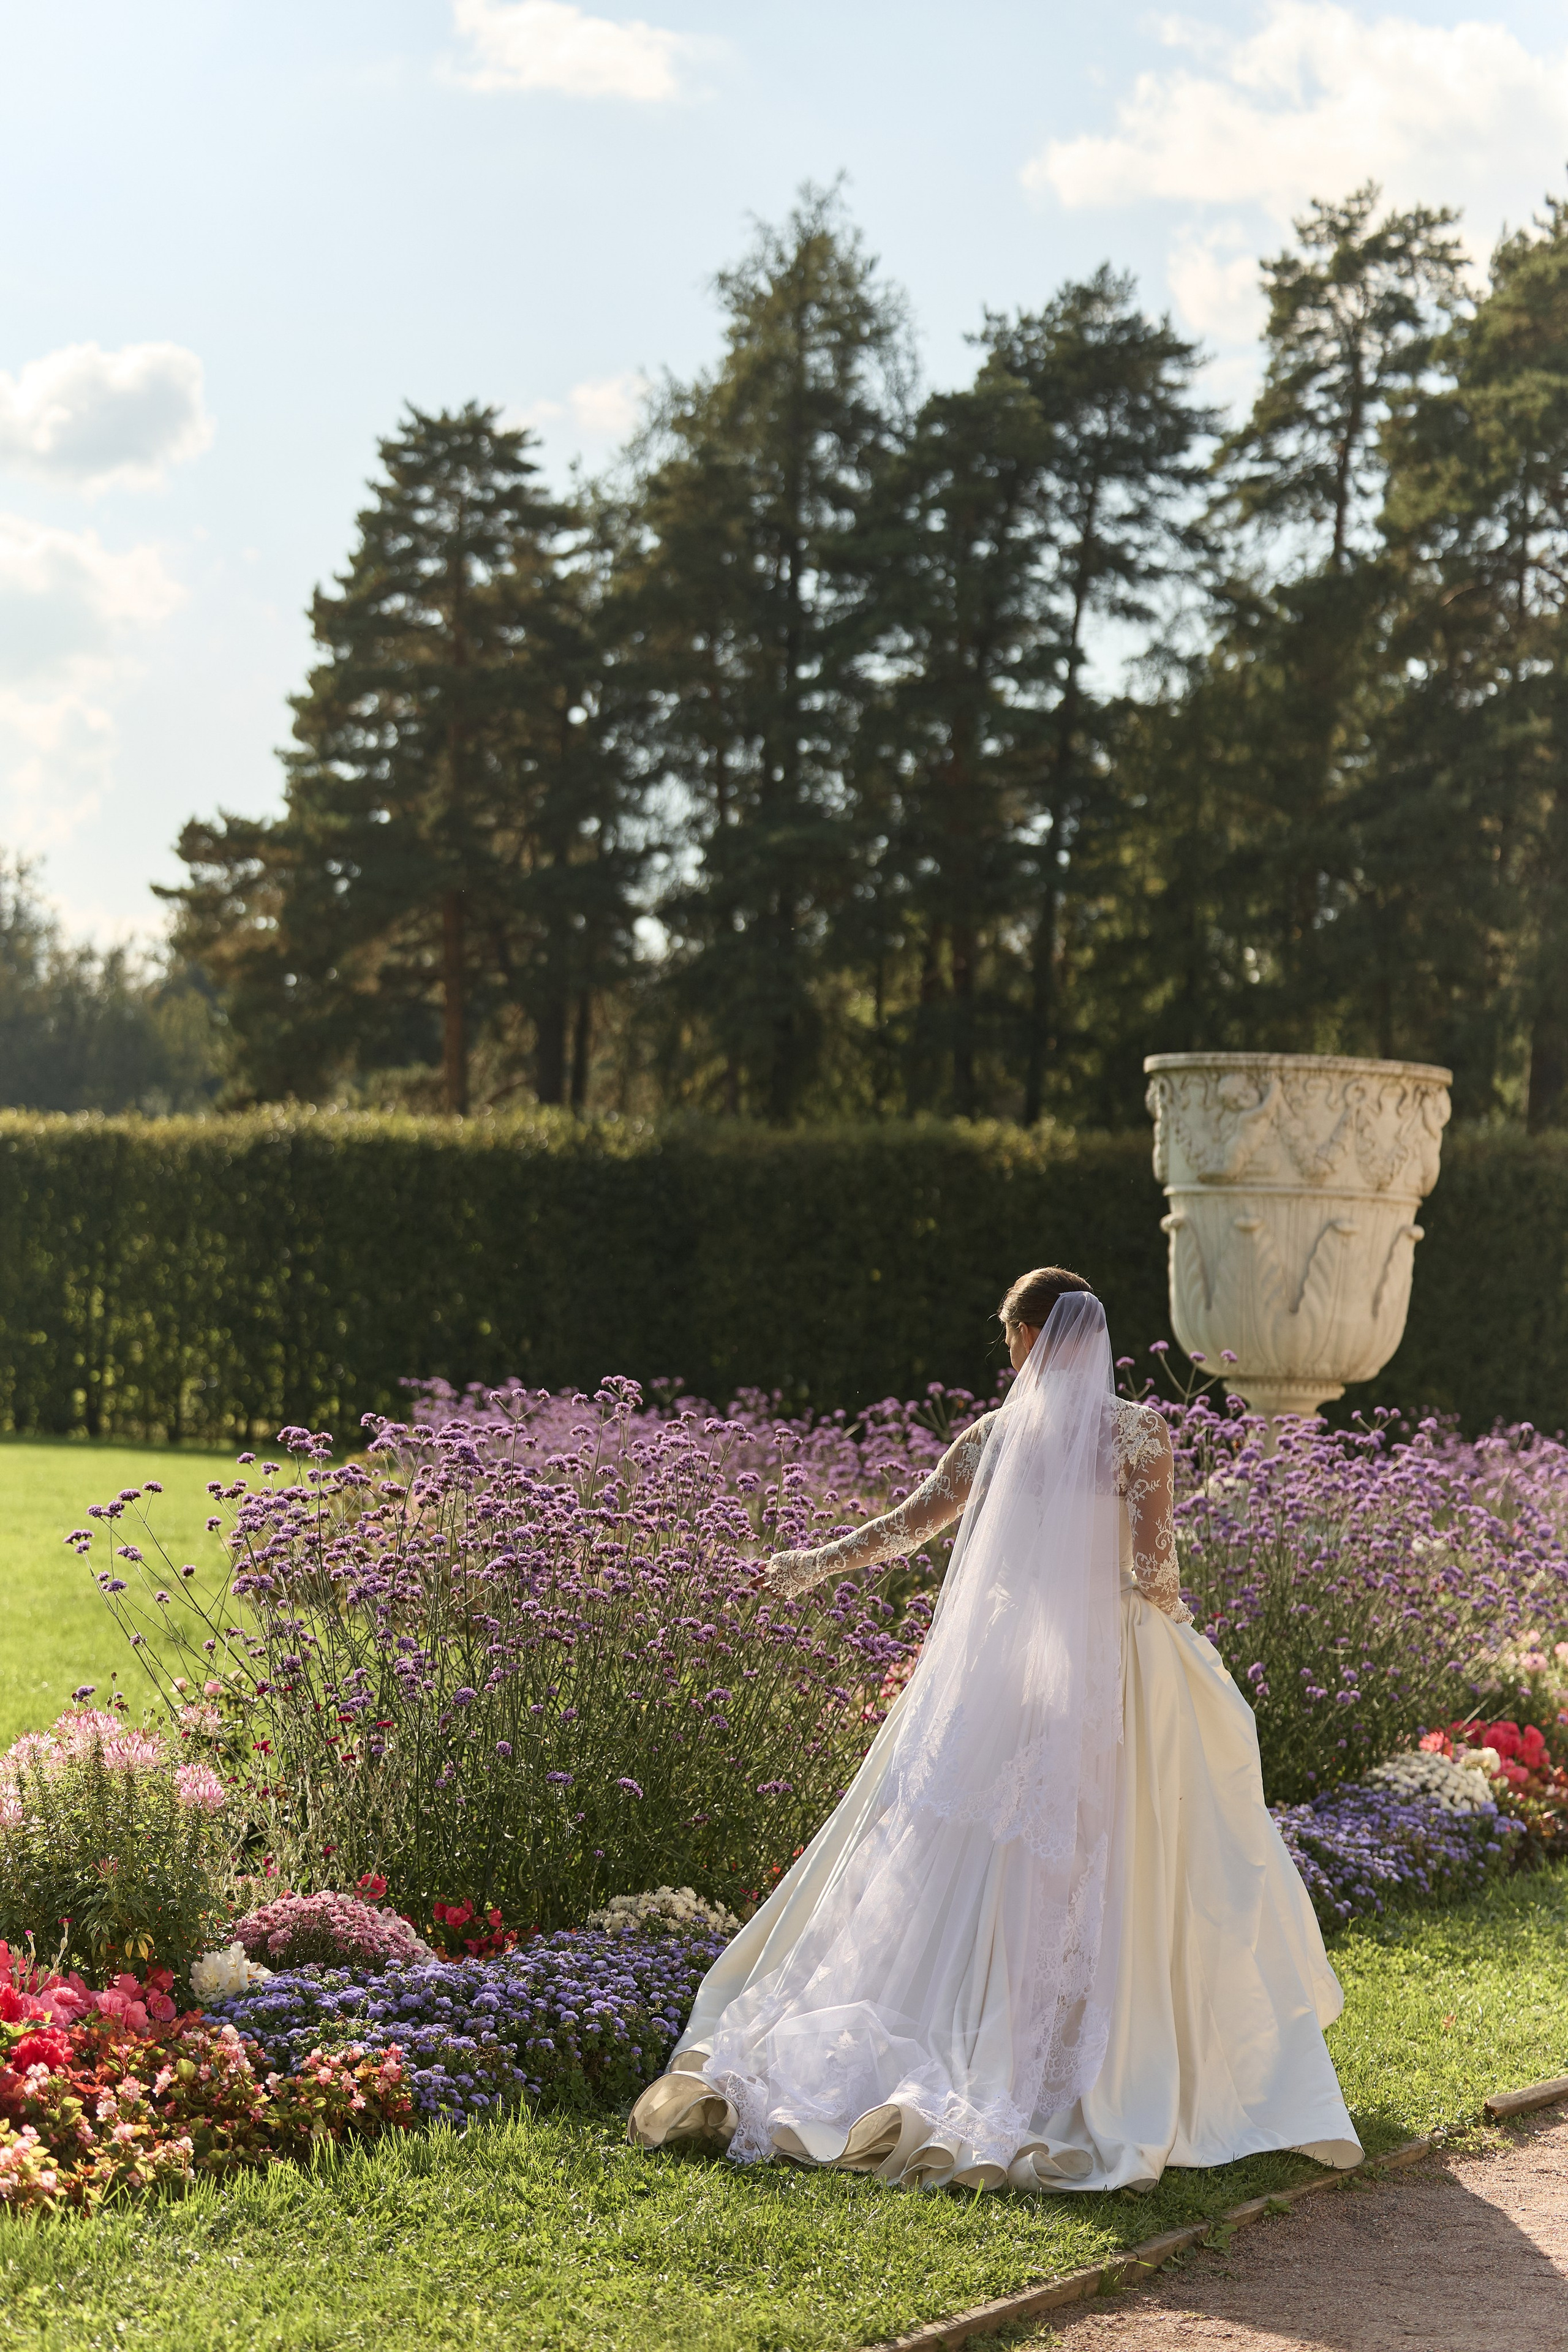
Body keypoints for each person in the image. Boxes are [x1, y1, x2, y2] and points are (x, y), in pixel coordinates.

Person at [628, 1268, 1360, 2193]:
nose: (1008, 1351)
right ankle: (1104, 2053)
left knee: (985, 1855)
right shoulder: (1141, 1434)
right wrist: (1174, 1628)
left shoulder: (994, 1439)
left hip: (1011, 1678)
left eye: (1009, 1336)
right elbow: (1154, 1569)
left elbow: (901, 1530)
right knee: (1125, 1854)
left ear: (1029, 1337)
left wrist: (809, 1565)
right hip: (1120, 1671)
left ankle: (974, 2027)